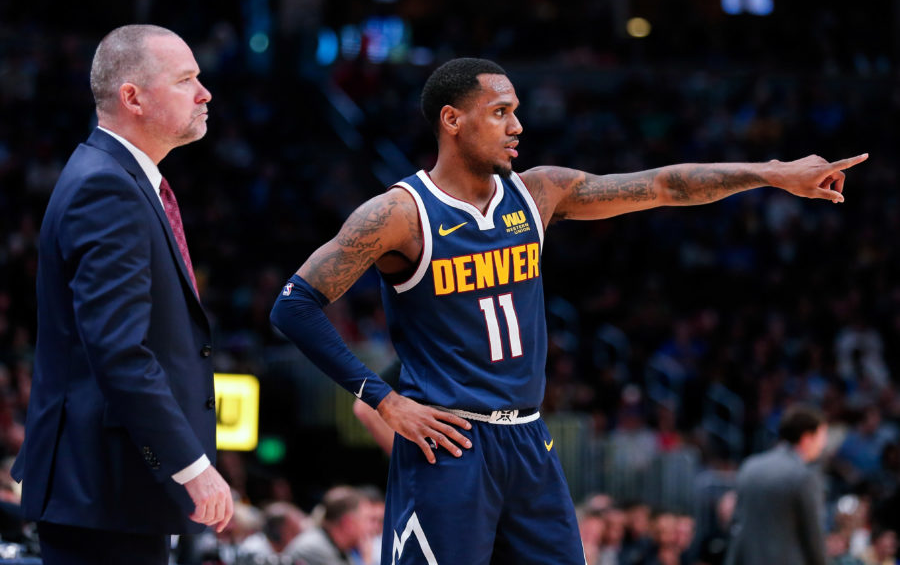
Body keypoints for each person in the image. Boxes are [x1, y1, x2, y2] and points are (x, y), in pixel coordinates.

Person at [269, 57, 867, 564]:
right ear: (452, 120)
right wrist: (385, 399)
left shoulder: (537, 192)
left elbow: (664, 185)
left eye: (516, 110)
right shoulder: (400, 214)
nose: (517, 125)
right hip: (449, 443)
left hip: (528, 438)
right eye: (500, 111)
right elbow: (295, 306)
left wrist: (773, 174)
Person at [10, 24, 233, 564]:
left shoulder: (118, 178)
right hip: (102, 489)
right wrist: (193, 466)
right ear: (132, 97)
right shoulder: (105, 187)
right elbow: (119, 350)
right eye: (186, 80)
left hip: (112, 492)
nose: (204, 94)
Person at [725, 404, 829, 565]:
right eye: (821, 438)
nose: (822, 446)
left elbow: (736, 523)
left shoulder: (750, 466)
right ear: (807, 438)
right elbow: (813, 535)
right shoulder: (803, 475)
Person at [285, 486, 367, 565]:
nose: (371, 528)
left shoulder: (340, 547)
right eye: (367, 520)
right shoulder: (313, 548)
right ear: (348, 523)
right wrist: (367, 559)